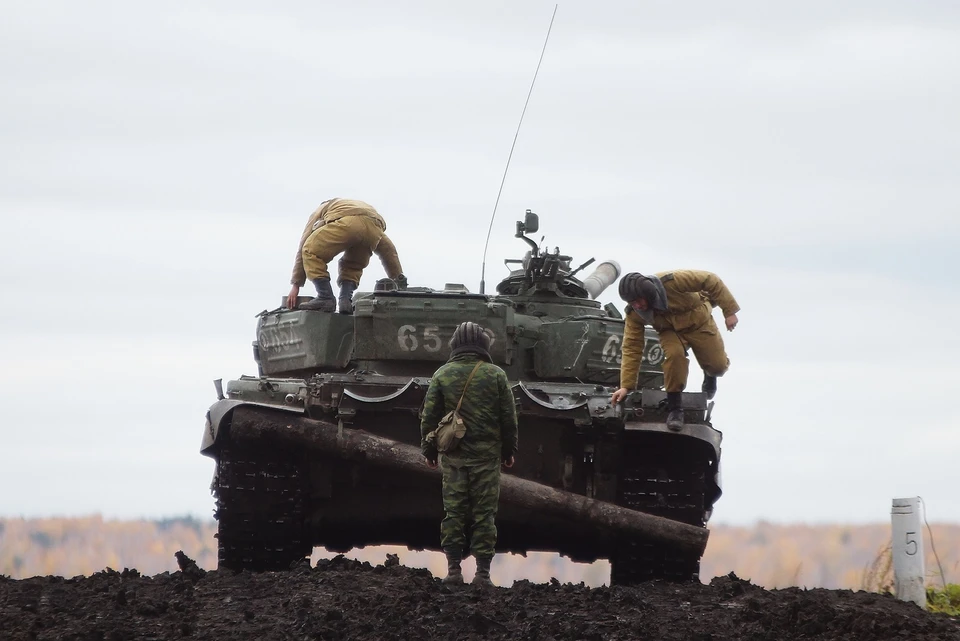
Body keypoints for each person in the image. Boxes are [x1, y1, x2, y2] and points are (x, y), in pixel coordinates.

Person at [420, 321, 519, 587]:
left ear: (456, 345)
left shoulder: (442, 374)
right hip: (487, 460)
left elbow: (429, 418)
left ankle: (453, 570)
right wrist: (509, 451)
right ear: (483, 345)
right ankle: (483, 573)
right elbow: (508, 420)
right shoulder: (496, 375)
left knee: (454, 513)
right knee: (484, 516)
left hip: (454, 458)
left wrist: (428, 450)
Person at [611, 270, 740, 430]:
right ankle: (675, 408)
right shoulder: (634, 314)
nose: (637, 305)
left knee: (718, 366)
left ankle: (710, 374)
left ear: (648, 293)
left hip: (699, 323)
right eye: (632, 302)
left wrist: (729, 311)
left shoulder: (671, 281)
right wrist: (626, 385)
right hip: (670, 331)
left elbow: (711, 280)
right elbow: (632, 346)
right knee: (674, 356)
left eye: (638, 300)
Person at [286, 198, 406, 314]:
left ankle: (325, 297)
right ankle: (345, 301)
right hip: (376, 226)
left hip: (349, 224)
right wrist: (400, 284)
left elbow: (303, 246)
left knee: (310, 250)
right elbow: (389, 251)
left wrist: (296, 284)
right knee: (353, 265)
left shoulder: (322, 209)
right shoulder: (359, 210)